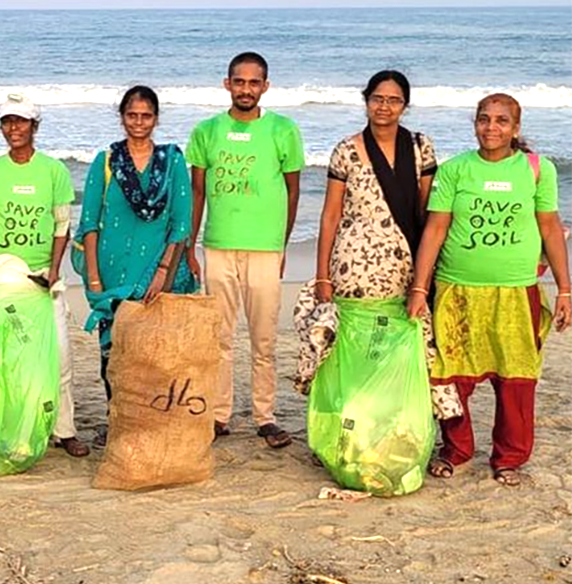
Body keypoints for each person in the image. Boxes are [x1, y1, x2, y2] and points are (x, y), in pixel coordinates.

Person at [407, 93, 571, 486]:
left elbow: (549, 226)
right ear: (474, 123)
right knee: (449, 376)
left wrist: (565, 289)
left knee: (516, 378)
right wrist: (418, 286)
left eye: (501, 121)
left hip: (516, 291)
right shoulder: (456, 170)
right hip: (457, 289)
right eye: (484, 119)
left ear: (516, 128)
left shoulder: (536, 169)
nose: (491, 127)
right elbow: (436, 228)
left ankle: (509, 457)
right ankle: (457, 449)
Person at [297, 71, 461, 420]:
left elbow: (428, 212)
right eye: (377, 98)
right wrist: (322, 275)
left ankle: (392, 420)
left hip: (403, 268)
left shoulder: (419, 146)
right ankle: (348, 420)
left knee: (398, 344)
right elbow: (330, 215)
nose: (384, 106)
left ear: (405, 105)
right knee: (353, 345)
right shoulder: (346, 149)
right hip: (352, 268)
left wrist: (425, 272)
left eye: (393, 100)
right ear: (366, 100)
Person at [0, 93, 89, 457]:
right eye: (7, 122)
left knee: (57, 354)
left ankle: (65, 430)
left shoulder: (53, 171)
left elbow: (63, 225)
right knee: (3, 357)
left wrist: (54, 271)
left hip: (41, 274)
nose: (14, 128)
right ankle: (6, 426)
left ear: (35, 126)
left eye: (21, 121)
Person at [186, 52, 304, 449]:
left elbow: (292, 191)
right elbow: (197, 191)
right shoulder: (207, 131)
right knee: (218, 337)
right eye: (240, 82)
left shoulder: (283, 130)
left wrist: (282, 245)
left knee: (264, 338)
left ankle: (264, 416)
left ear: (265, 87)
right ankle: (219, 414)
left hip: (265, 249)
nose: (246, 89)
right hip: (218, 246)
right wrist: (190, 246)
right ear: (227, 84)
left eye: (254, 83)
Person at [72, 86, 199, 446]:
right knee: (113, 352)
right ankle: (118, 421)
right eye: (132, 115)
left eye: (146, 116)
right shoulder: (107, 162)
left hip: (157, 274)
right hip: (112, 274)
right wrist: (94, 278)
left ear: (156, 119)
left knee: (155, 353)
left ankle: (151, 424)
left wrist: (163, 273)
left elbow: (181, 223)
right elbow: (90, 223)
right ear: (122, 117)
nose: (138, 122)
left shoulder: (172, 161)